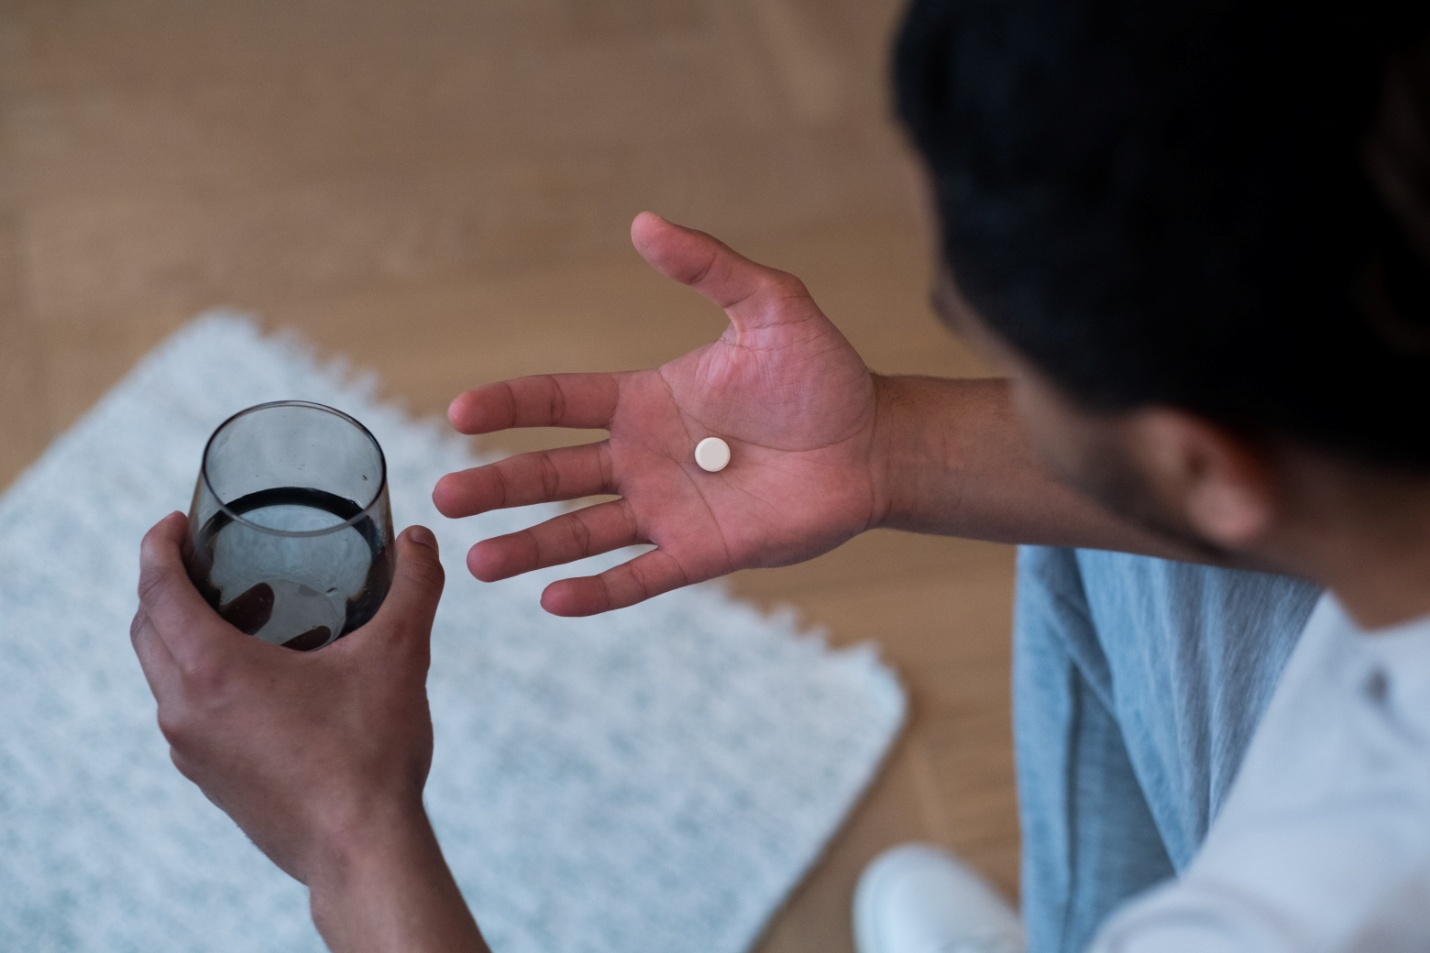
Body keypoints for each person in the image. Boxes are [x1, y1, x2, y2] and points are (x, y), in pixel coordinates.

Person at [128, 0, 1430, 950]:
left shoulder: (1321, 906)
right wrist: (888, 445)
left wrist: (348, 840)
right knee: (1128, 556)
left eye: (1008, 359)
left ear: (1206, 458)